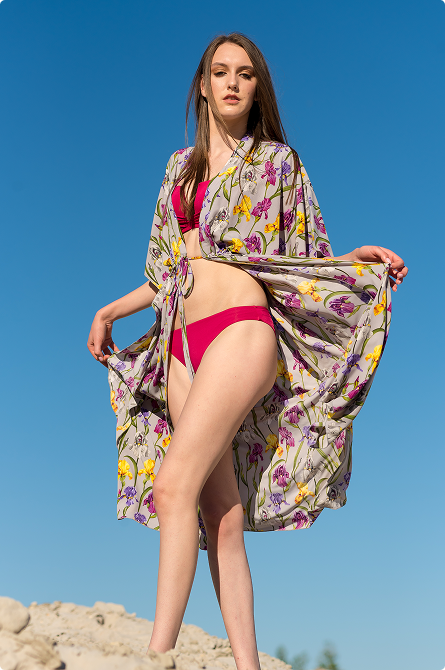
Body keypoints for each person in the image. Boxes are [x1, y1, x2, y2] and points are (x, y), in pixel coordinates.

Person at [87, 33, 407, 670]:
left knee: (172, 485)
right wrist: (109, 310)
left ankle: (156, 657)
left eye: (245, 73)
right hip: (180, 343)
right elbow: (166, 272)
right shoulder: (178, 170)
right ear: (203, 86)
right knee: (219, 516)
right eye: (220, 72)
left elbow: (306, 258)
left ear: (258, 89)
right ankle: (247, 665)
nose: (232, 82)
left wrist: (354, 260)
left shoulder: (278, 163)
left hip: (241, 328)